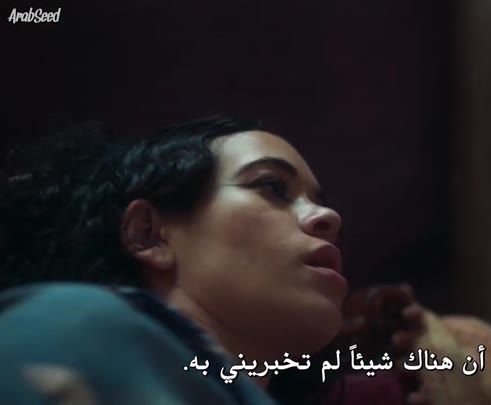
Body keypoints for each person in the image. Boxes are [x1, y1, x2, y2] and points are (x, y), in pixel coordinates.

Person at [0, 116, 425, 404]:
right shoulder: (74, 327)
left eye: (318, 200)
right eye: (272, 187)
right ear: (148, 233)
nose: (329, 217)